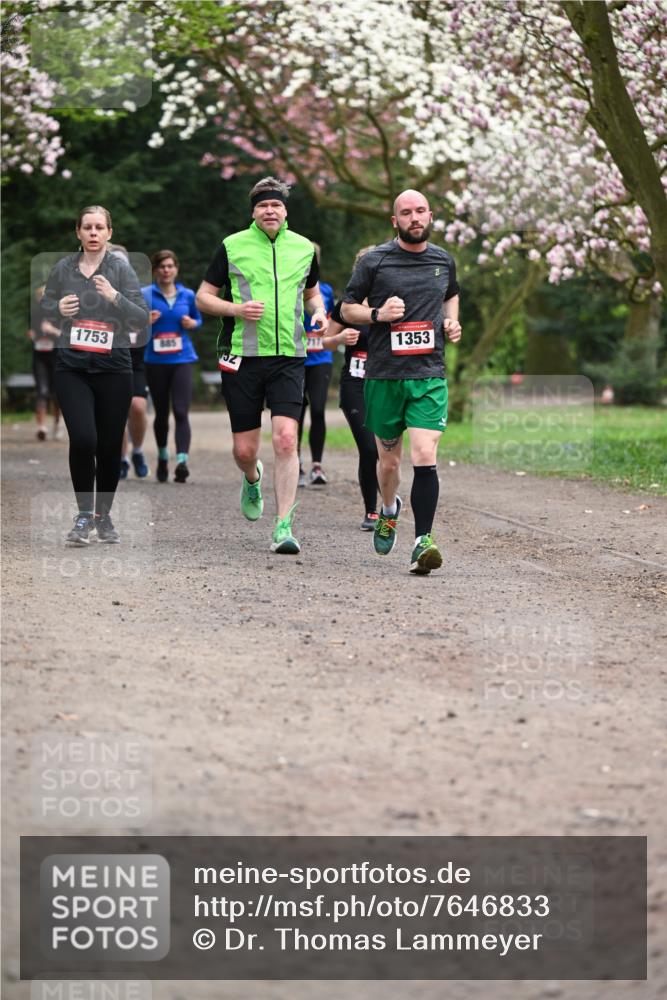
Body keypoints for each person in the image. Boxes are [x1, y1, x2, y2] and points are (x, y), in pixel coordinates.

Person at [196, 176, 327, 554]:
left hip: (289, 357)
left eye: (276, 205)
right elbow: (203, 297)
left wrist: (319, 313)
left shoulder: (303, 248)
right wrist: (236, 309)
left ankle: (284, 526)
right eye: (263, 206)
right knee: (244, 450)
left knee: (286, 438)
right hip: (242, 356)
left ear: (285, 211)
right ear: (254, 212)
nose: (270, 210)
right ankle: (252, 478)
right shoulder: (232, 246)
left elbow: (312, 294)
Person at [341, 189, 461, 574]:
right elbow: (346, 309)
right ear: (395, 221)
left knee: (425, 454)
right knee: (389, 464)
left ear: (431, 215)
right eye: (406, 213)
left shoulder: (443, 260)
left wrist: (451, 321)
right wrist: (377, 313)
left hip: (428, 375)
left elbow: (452, 294)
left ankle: (422, 541)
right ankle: (389, 508)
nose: (415, 218)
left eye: (421, 211)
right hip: (384, 377)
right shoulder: (374, 261)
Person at [40, 205, 149, 544]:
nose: (93, 232)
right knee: (84, 439)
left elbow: (140, 317)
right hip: (72, 367)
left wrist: (114, 297)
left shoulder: (121, 270)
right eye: (87, 227)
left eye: (99, 227)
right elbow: (44, 311)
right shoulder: (63, 268)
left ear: (109, 233)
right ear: (78, 231)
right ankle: (84, 515)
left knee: (109, 445)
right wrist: (56, 308)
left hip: (114, 368)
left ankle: (103, 516)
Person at [321, 246, 379, 530]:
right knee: (369, 448)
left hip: (386, 385)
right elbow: (325, 342)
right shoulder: (347, 306)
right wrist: (341, 338)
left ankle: (388, 499)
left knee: (387, 452)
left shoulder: (394, 304)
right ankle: (372, 511)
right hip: (355, 385)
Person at [143, 250, 202, 483]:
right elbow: (131, 323)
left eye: (170, 266)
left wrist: (192, 323)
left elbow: (198, 320)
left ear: (176, 269)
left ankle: (182, 461)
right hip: (155, 361)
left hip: (182, 359)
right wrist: (144, 320)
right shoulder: (145, 294)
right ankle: (162, 456)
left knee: (180, 410)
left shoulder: (188, 294)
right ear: (155, 270)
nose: (166, 270)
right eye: (162, 266)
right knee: (161, 413)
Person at [109, 244, 150, 480]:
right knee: (117, 412)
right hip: (109, 361)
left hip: (136, 360)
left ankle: (138, 451)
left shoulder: (140, 294)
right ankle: (122, 457)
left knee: (138, 407)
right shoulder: (96, 295)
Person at [297, 242, 335, 487]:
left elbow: (333, 322)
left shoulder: (327, 291)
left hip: (321, 358)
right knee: (296, 412)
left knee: (318, 410)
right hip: (295, 358)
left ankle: (317, 466)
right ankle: (296, 464)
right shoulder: (289, 286)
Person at [27, 285, 62, 441]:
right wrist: (32, 335)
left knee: (56, 394)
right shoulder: (34, 314)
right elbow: (30, 332)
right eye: (40, 296)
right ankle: (41, 427)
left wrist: (52, 330)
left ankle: (57, 424)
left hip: (56, 356)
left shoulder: (60, 314)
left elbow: (67, 336)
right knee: (41, 391)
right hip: (39, 356)